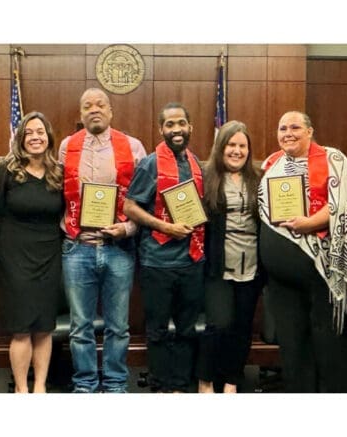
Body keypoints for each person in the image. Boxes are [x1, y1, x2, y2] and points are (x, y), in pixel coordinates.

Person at [258, 110, 347, 392]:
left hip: (326, 272)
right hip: (282, 280)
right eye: (282, 128)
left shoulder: (333, 159)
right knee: (293, 341)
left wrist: (311, 223)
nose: (287, 133)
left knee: (329, 340)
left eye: (295, 127)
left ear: (310, 131)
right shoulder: (271, 163)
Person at [59, 88, 146, 393]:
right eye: (87, 106)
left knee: (118, 327)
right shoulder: (67, 146)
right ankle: (84, 384)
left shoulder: (133, 147)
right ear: (81, 114)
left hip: (118, 248)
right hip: (77, 247)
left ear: (110, 111)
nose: (94, 109)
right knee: (80, 326)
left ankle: (115, 385)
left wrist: (128, 229)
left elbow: (144, 199)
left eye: (100, 105)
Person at [123, 102, 205, 393]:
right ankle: (160, 386)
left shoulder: (196, 163)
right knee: (157, 331)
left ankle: (181, 386)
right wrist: (164, 227)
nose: (176, 129)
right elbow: (130, 206)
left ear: (190, 126)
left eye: (181, 123)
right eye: (169, 125)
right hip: (157, 261)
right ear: (161, 129)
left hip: (191, 261)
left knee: (186, 329)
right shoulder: (150, 163)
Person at [0, 112, 63, 393]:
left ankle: (40, 387)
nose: (35, 137)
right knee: (22, 326)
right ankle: (22, 388)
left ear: (48, 137)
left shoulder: (59, 171)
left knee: (44, 326)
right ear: (21, 139)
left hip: (49, 253)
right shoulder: (7, 171)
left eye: (40, 132)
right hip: (15, 254)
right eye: (29, 133)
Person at [196, 120, 264, 394]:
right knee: (218, 325)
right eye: (231, 145)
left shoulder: (258, 177)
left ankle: (232, 380)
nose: (236, 151)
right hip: (218, 264)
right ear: (220, 147)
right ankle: (206, 379)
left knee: (242, 327)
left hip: (253, 264)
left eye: (242, 146)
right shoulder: (205, 176)